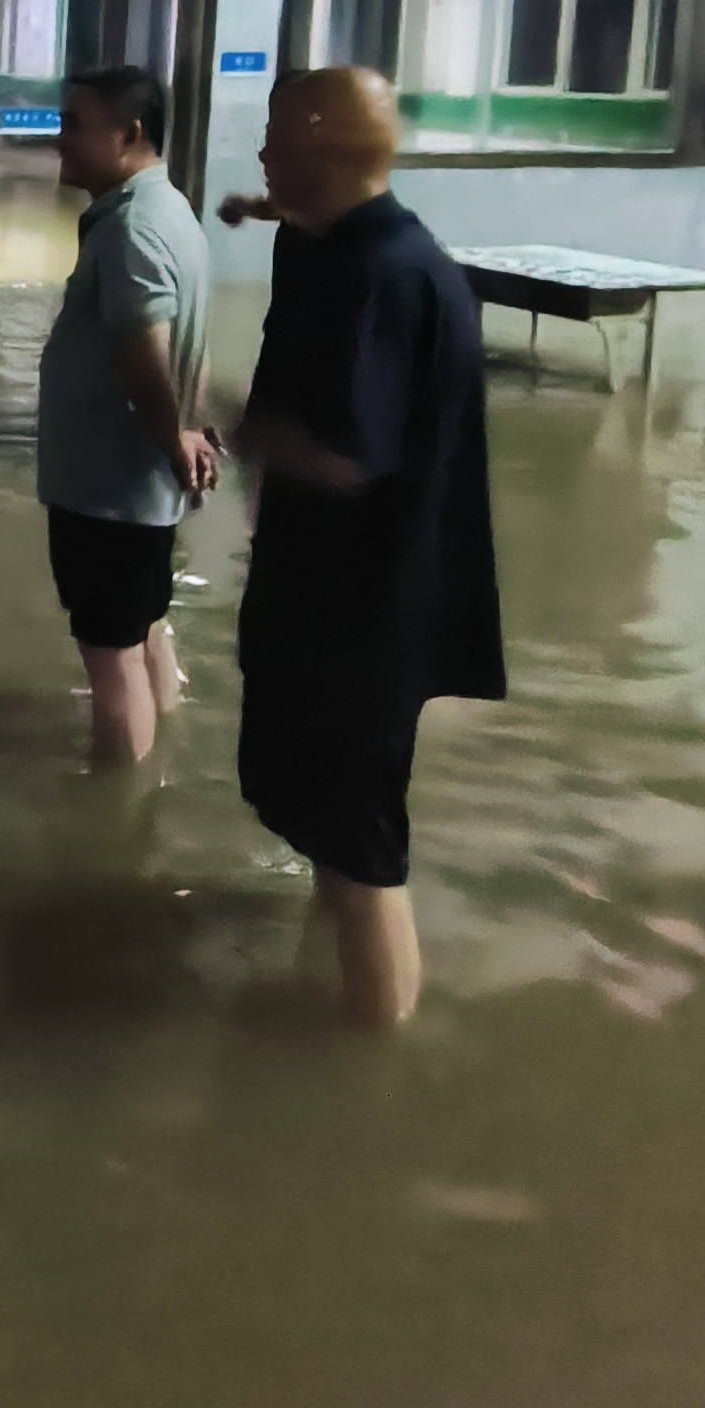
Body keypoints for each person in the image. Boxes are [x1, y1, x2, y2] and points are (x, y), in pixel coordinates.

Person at [225, 67, 503, 1030]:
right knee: (332, 834)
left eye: (275, 136)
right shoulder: (368, 244)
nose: (262, 153)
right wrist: (262, 210)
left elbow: (345, 454)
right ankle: (323, 997)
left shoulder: (374, 277)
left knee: (361, 856)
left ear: (322, 141)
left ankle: (370, 1054)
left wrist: (233, 422)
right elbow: (308, 222)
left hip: (359, 616)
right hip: (360, 604)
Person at [35, 64, 217, 769]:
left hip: (108, 489)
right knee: (145, 631)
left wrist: (173, 438)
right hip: (137, 487)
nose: (60, 141)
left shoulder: (132, 228)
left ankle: (121, 805)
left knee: (110, 659)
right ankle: (163, 765)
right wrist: (188, 432)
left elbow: (146, 353)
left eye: (75, 125)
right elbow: (187, 347)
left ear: (130, 133)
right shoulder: (168, 209)